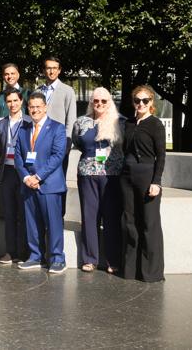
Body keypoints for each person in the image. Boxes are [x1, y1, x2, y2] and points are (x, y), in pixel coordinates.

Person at [72, 87, 125, 273]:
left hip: (111, 176)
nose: (99, 104)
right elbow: (77, 142)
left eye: (103, 101)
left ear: (109, 102)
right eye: (96, 101)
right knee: (89, 216)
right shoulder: (81, 122)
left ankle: (113, 260)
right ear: (91, 102)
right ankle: (90, 259)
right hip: (87, 174)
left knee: (111, 217)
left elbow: (125, 145)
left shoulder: (120, 122)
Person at [15, 92, 68, 274]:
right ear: (27, 108)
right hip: (28, 185)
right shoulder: (23, 130)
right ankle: (35, 256)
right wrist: (26, 178)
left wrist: (37, 177)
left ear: (45, 107)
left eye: (38, 106)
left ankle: (57, 259)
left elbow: (58, 156)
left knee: (53, 224)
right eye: (31, 106)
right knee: (32, 223)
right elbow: (18, 157)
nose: (35, 109)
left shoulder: (57, 128)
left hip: (49, 185)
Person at [120, 85, 166, 282]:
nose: (140, 104)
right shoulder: (129, 123)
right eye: (137, 100)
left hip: (147, 177)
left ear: (151, 103)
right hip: (127, 177)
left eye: (145, 100)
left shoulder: (156, 124)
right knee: (130, 222)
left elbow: (161, 156)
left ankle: (151, 272)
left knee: (149, 224)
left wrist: (156, 181)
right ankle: (131, 270)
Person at [0, 88, 30, 264]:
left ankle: (23, 252)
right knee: (9, 213)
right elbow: (0, 148)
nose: (12, 104)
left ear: (21, 101)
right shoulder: (0, 124)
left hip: (23, 172)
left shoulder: (29, 122)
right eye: (9, 101)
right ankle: (10, 251)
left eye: (15, 100)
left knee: (23, 213)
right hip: (7, 172)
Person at [37, 56, 76, 212]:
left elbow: (71, 119)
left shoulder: (67, 91)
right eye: (48, 68)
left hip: (58, 144)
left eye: (54, 68)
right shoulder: (38, 91)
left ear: (59, 70)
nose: (51, 71)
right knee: (40, 176)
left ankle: (59, 214)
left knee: (58, 180)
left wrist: (67, 143)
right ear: (44, 70)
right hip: (39, 144)